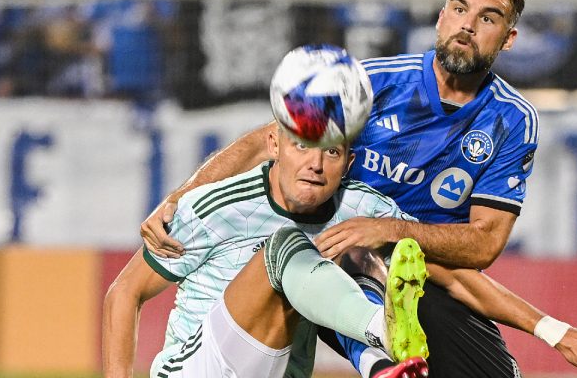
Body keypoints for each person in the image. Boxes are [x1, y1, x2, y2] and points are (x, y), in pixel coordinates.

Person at [141, 0, 577, 377]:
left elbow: (483, 245)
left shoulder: (510, 120)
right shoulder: (373, 84)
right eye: (460, 9)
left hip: (429, 278)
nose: (468, 24)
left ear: (508, 39)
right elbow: (264, 141)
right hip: (325, 259)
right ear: (440, 17)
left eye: (488, 18)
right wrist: (179, 200)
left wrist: (384, 230)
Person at [103, 127, 430, 378]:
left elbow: (429, 264)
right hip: (201, 367)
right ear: (275, 145)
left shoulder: (365, 208)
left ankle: (378, 366)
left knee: (366, 254)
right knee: (283, 246)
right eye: (302, 146)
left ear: (349, 162)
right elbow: (125, 291)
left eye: (331, 151)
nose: (314, 164)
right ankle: (380, 329)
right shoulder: (215, 205)